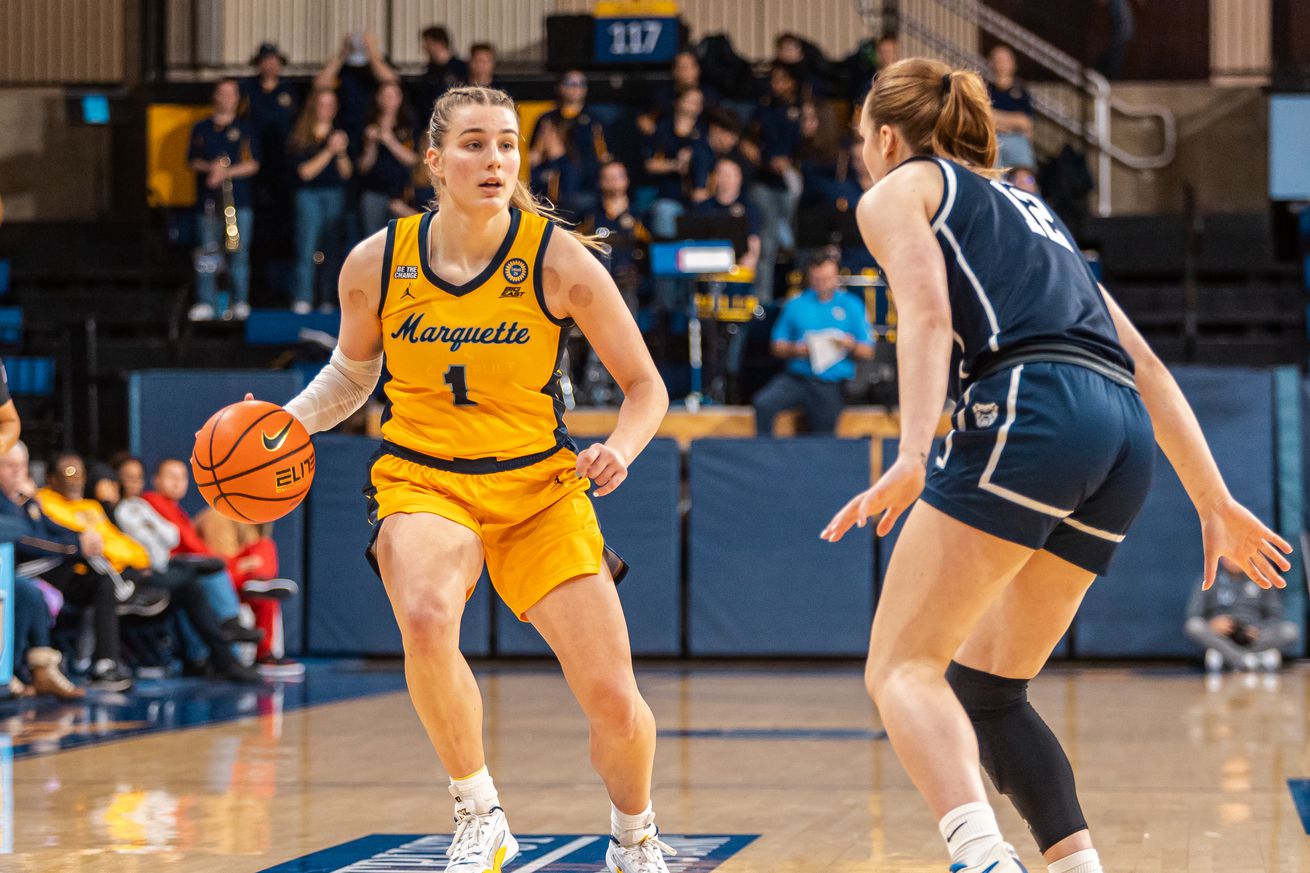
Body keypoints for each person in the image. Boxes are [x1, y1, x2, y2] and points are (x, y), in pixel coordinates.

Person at [820, 58, 1292, 873]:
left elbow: (928, 317)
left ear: (886, 135)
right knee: (991, 688)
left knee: (902, 665)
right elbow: (1144, 362)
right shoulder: (1036, 210)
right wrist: (1213, 498)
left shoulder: (900, 189)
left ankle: (982, 859)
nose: (865, 152)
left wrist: (910, 452)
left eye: (863, 136)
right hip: (1119, 436)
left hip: (1031, 407)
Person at [263, 84, 672, 873]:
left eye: (508, 144)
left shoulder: (558, 259)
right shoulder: (376, 261)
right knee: (423, 615)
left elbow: (645, 387)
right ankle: (479, 811)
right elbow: (351, 378)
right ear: (435, 159)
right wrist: (288, 421)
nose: (495, 160)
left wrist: (621, 447)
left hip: (538, 489)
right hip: (424, 478)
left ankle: (635, 836)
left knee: (615, 700)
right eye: (475, 143)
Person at [111, 455, 264, 683]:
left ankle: (222, 658)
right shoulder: (125, 507)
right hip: (135, 574)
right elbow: (164, 543)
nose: (133, 483)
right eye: (127, 478)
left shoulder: (142, 507)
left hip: (158, 568)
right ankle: (226, 633)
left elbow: (169, 536)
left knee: (193, 586)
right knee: (204, 570)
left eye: (137, 478)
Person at [753, 250, 874, 435]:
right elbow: (777, 346)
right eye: (817, 279)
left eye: (826, 278)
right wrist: (797, 349)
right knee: (763, 403)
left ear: (836, 277)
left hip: (831, 382)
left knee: (824, 430)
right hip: (797, 377)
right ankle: (766, 456)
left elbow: (867, 351)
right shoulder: (796, 304)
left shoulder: (852, 305)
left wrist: (849, 345)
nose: (822, 284)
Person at [194, 508, 303, 677]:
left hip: (243, 579)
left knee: (266, 593)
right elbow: (216, 565)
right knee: (262, 591)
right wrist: (242, 564)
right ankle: (258, 581)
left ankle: (264, 655)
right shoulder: (216, 516)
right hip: (216, 579)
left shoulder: (250, 517)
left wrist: (249, 566)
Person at [187, 78, 260, 322]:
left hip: (239, 202)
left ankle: (239, 301)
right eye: (223, 93)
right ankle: (206, 302)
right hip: (208, 202)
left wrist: (225, 171)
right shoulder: (202, 128)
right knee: (208, 253)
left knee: (239, 252)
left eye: (232, 94)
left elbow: (253, 163)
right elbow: (192, 160)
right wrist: (211, 167)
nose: (227, 98)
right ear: (215, 97)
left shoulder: (246, 129)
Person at [289, 88, 353, 314]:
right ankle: (303, 297)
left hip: (335, 194)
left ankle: (327, 298)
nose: (326, 109)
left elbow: (347, 173)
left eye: (331, 104)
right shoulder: (301, 135)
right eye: (322, 104)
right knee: (307, 246)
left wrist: (342, 152)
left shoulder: (340, 133)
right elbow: (305, 172)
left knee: (332, 248)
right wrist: (328, 150)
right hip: (309, 195)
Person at [1185, 556, 1299, 672]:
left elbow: (1275, 615)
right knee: (1194, 626)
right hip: (1222, 636)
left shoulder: (1263, 579)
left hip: (1254, 635)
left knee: (1290, 631)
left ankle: (1227, 656)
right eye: (1228, 556)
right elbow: (1194, 614)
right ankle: (1246, 659)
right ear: (1221, 558)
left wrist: (1257, 630)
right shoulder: (1208, 579)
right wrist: (1212, 624)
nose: (1233, 560)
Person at [241, 42, 300, 258]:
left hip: (283, 163)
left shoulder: (288, 90)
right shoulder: (247, 89)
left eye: (274, 61)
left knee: (283, 215)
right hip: (256, 161)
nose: (270, 66)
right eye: (266, 61)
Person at [529, 71, 609, 217]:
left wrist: (560, 155)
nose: (576, 88)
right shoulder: (547, 119)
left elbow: (603, 159)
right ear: (560, 87)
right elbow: (533, 158)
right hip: (549, 187)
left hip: (584, 187)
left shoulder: (593, 121)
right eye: (571, 83)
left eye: (581, 84)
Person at [358, 81, 419, 235]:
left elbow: (414, 160)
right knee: (372, 240)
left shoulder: (409, 124)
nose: (389, 100)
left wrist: (389, 140)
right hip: (374, 192)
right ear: (378, 98)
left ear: (400, 98)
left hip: (403, 194)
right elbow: (363, 167)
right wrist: (371, 144)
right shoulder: (368, 124)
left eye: (393, 95)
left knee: (401, 242)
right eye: (385, 96)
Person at [642, 88, 703, 238]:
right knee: (665, 210)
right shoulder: (663, 131)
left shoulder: (703, 134)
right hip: (668, 196)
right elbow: (650, 164)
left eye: (697, 102)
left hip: (700, 199)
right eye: (690, 100)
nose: (693, 106)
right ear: (678, 103)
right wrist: (675, 164)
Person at [691, 157, 760, 273]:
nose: (725, 180)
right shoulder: (702, 208)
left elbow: (753, 243)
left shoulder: (749, 209)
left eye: (730, 175)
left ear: (739, 178)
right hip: (705, 265)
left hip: (736, 268)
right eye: (721, 175)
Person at [987, 45, 1037, 170]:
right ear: (990, 63)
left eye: (1005, 60)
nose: (1001, 64)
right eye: (997, 60)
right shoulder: (985, 90)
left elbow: (1025, 123)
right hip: (993, 142)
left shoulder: (1022, 92)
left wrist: (997, 118)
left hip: (1017, 142)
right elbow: (984, 119)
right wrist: (1013, 120)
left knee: (1025, 179)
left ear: (1013, 64)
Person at [414, 26, 468, 122]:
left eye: (428, 44)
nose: (424, 49)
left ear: (440, 43)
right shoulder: (429, 73)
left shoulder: (461, 69)